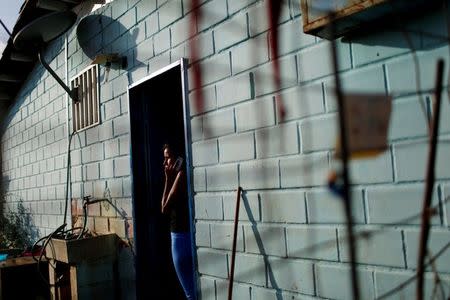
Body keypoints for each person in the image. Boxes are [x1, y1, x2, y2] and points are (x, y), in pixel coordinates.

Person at [161, 143, 195, 300]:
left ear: (177, 159)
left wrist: (168, 179)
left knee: (189, 291)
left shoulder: (180, 175)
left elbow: (164, 208)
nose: (165, 162)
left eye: (167, 158)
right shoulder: (179, 175)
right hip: (184, 236)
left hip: (180, 238)